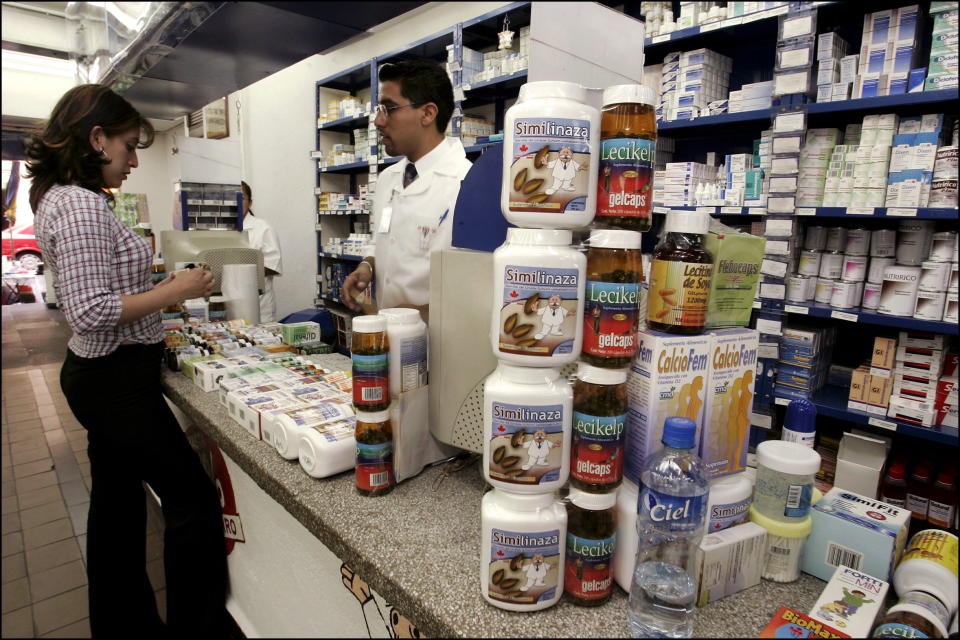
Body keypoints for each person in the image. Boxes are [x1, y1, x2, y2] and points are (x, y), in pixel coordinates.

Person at [26, 84, 228, 637]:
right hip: (114, 380)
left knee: (116, 509)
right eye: (128, 146)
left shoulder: (64, 197)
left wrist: (160, 285)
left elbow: (104, 290)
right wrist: (175, 291)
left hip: (107, 374)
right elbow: (91, 311)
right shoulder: (81, 204)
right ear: (96, 138)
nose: (135, 160)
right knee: (191, 499)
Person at [341, 59, 472, 323]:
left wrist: (404, 318)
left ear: (427, 113)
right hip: (389, 339)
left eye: (388, 108)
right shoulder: (389, 178)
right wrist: (368, 265)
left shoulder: (466, 185)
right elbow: (383, 240)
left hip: (441, 346)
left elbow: (472, 290)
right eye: (379, 109)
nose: (378, 121)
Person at [240, 180, 283, 322]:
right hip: (228, 303)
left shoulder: (263, 228)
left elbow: (273, 266)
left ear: (250, 203)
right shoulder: (218, 229)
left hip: (259, 305)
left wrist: (241, 269)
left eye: (241, 197)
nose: (236, 202)